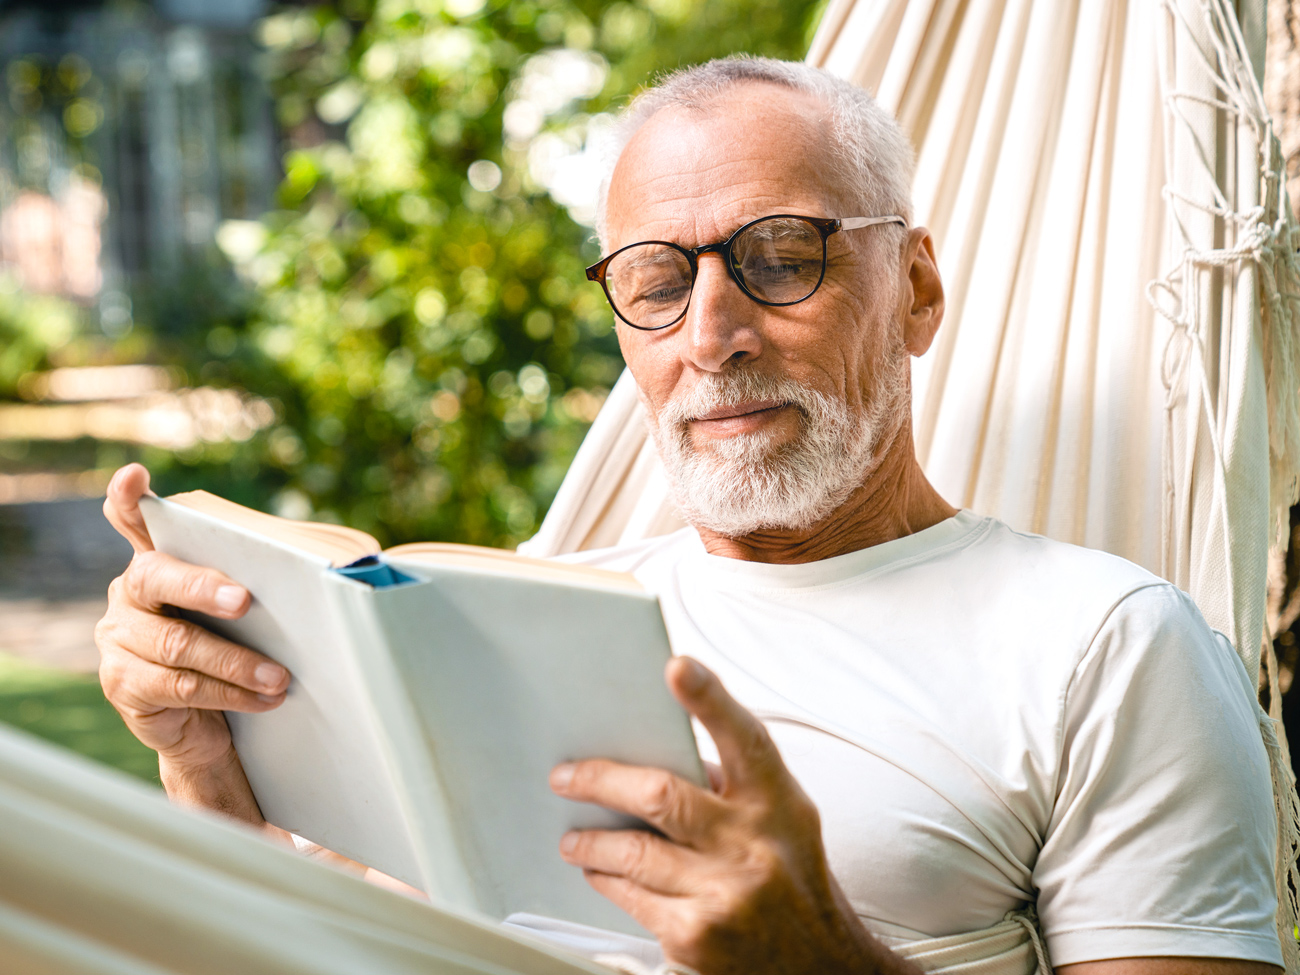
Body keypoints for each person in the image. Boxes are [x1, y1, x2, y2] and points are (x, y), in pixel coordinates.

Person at [95, 57, 1283, 975]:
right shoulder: (539, 605)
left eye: (780, 257)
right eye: (658, 282)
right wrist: (203, 764)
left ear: (915, 287)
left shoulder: (1105, 644)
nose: (711, 335)